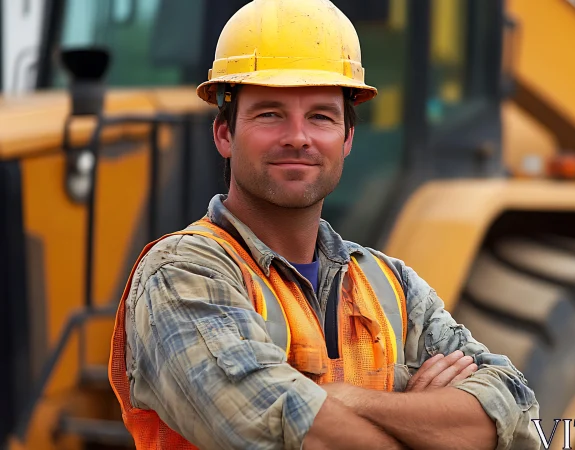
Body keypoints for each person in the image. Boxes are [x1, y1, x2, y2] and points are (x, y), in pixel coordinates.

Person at [108, 0, 541, 448]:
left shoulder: (390, 286)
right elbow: (271, 426)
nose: (298, 136)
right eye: (270, 114)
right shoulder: (184, 273)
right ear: (224, 133)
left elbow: (516, 411)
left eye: (320, 116)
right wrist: (421, 419)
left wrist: (352, 400)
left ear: (348, 137)